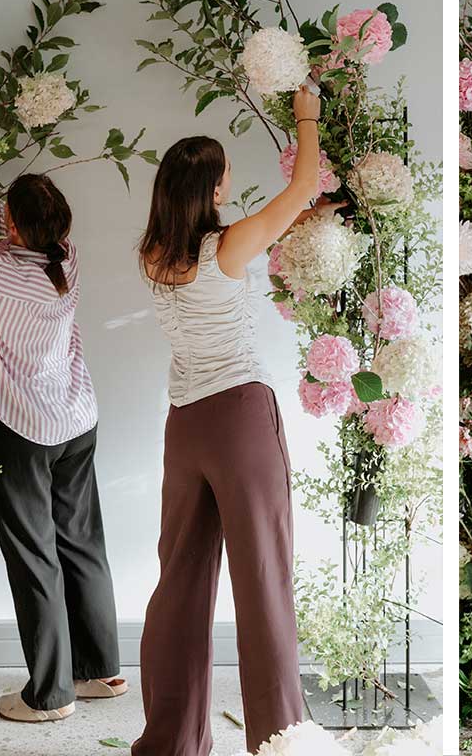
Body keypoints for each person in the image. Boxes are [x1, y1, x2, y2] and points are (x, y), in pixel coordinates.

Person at [134, 85, 337, 755]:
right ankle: (279, 741)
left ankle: (169, 741)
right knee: (263, 583)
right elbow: (304, 182)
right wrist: (305, 111)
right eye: (224, 181)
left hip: (184, 426)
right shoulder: (228, 244)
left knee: (180, 586)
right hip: (241, 421)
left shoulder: (154, 257)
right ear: (214, 192)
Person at [0, 140, 125, 723]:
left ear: (13, 227)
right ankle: (99, 671)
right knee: (82, 542)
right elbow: (3, 219)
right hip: (74, 420)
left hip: (18, 428)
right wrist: (8, 214)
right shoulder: (68, 254)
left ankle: (49, 696)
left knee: (33, 556)